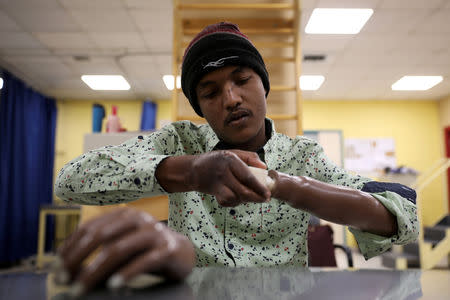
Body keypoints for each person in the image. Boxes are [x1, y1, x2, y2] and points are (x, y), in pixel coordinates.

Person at [54, 22, 418, 295]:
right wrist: (189, 171)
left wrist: (284, 185)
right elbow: (70, 180)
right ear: (199, 107)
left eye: (241, 79)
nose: (230, 98)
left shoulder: (301, 156)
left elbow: (403, 215)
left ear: (263, 83)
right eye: (210, 92)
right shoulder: (180, 141)